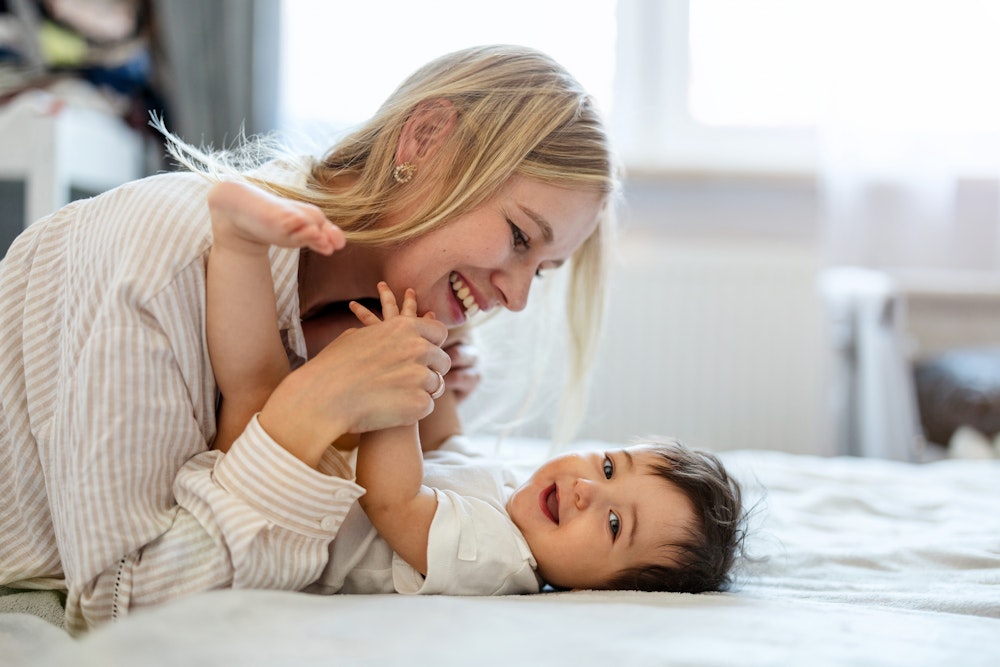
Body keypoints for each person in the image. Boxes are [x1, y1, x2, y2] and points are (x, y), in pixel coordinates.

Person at [0, 44, 617, 634]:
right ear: (425, 139)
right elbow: (120, 607)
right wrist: (307, 413)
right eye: (518, 239)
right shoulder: (161, 255)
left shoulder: (359, 321)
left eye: (541, 270)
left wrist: (387, 406)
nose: (516, 297)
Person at [206, 188, 745, 594]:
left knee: (255, 388)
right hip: (304, 486)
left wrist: (398, 400)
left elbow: (397, 503)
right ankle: (239, 240)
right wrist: (440, 383)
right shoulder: (509, 493)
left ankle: (239, 244)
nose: (587, 490)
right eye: (608, 466)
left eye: (612, 523)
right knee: (258, 385)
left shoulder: (500, 560)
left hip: (278, 533)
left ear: (607, 588)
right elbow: (444, 449)